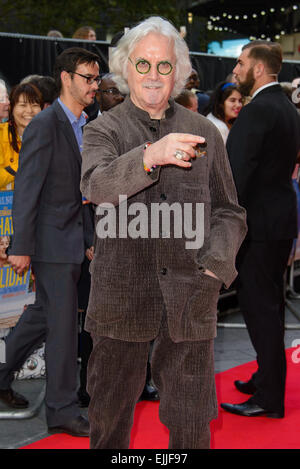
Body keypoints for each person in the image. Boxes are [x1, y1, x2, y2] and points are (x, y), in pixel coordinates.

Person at [80, 16, 247, 449]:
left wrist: (213, 271)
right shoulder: (104, 130)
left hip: (192, 299)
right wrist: (150, 156)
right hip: (120, 300)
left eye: (164, 66)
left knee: (192, 423)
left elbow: (230, 213)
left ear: (179, 72)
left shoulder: (205, 132)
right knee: (109, 420)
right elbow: (96, 186)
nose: (153, 76)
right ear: (125, 67)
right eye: (143, 65)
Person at [0, 47, 100, 437]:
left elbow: (83, 191)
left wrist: (89, 236)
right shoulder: (46, 123)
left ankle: (2, 371)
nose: (94, 85)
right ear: (66, 77)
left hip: (72, 239)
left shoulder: (84, 124)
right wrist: (20, 246)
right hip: (50, 242)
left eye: (97, 78)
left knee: (42, 315)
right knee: (62, 328)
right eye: (87, 78)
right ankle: (61, 410)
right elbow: (27, 188)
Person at [221, 41, 300, 419]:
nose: (235, 69)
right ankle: (265, 376)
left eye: (240, 63)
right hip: (280, 221)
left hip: (258, 227)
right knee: (269, 305)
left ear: (258, 69)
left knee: (260, 309)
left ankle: (269, 397)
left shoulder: (257, 112)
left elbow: (236, 176)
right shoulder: (286, 107)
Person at [0, 82, 43, 191]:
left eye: (35, 105)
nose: (29, 111)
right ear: (11, 108)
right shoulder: (1, 135)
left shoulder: (49, 137)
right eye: (23, 105)